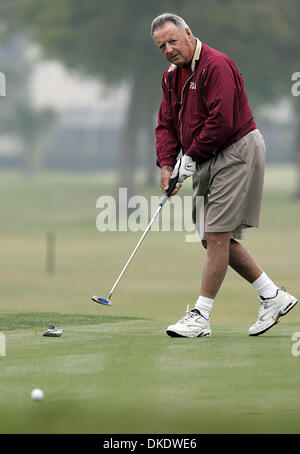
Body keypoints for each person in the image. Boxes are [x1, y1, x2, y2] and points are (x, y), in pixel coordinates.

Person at [151, 12, 297, 338]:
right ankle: (273, 296)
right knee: (212, 237)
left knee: (216, 233)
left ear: (188, 33)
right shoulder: (170, 77)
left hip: (236, 149)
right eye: (162, 46)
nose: (169, 49)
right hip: (205, 156)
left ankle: (201, 316)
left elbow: (223, 120)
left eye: (173, 41)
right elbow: (166, 125)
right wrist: (166, 164)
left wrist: (190, 157)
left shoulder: (216, 65)